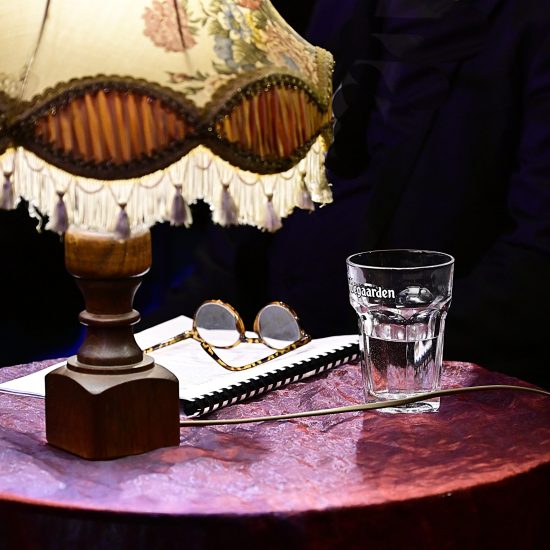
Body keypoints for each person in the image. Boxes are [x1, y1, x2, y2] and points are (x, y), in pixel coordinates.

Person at [145, 0, 550, 389]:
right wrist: (152, 341)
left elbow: (534, 260)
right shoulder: (339, 8)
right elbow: (261, 188)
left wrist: (376, 366)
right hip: (263, 359)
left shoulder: (532, 22)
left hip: (419, 381)